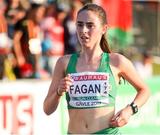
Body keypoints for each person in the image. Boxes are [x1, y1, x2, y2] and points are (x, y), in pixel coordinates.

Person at [43, 3, 150, 134]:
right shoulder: (64, 63)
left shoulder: (117, 61)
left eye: (90, 25)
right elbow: (47, 109)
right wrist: (59, 92)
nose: (83, 30)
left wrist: (130, 110)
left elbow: (144, 90)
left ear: (104, 28)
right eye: (79, 24)